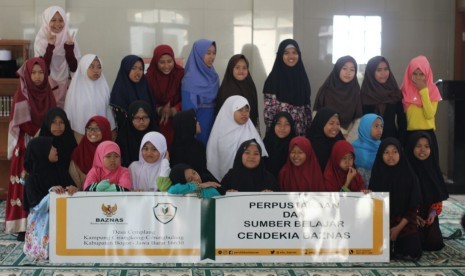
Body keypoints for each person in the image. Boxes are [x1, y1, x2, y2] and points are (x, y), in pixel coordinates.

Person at [5, 57, 56, 239]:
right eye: (33, 72)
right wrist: (41, 135)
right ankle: (22, 225)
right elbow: (23, 123)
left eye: (41, 72)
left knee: (42, 180)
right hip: (27, 144)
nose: (37, 76)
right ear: (27, 74)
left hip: (44, 144)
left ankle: (42, 223)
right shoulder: (22, 93)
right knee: (24, 183)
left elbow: (53, 117)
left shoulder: (49, 93)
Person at [22, 136, 77, 260]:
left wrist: (73, 189)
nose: (55, 150)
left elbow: (71, 193)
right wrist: (51, 193)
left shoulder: (60, 170)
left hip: (63, 219)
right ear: (41, 151)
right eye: (52, 147)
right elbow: (37, 207)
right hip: (43, 224)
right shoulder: (32, 179)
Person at [369, 138, 422, 261]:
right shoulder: (378, 174)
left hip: (404, 221)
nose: (391, 156)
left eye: (395, 152)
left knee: (411, 251)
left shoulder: (410, 176)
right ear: (380, 154)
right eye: (386, 152)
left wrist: (398, 229)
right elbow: (374, 207)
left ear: (400, 153)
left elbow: (413, 208)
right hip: (383, 222)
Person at [207, 95, 267, 181]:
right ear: (229, 111)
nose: (244, 113)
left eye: (247, 110)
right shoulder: (219, 134)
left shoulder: (251, 132)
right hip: (223, 182)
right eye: (240, 110)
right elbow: (213, 159)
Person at [405, 131, 449, 251]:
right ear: (411, 147)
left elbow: (437, 196)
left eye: (426, 146)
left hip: (427, 214)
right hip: (409, 215)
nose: (422, 150)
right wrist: (414, 215)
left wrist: (433, 213)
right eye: (418, 146)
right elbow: (401, 199)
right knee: (414, 245)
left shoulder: (433, 169)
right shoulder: (406, 170)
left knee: (434, 243)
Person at [34, 6, 80, 108]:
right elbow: (42, 68)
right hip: (47, 86)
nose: (57, 24)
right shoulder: (40, 41)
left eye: (61, 20)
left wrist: (69, 48)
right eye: (53, 20)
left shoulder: (69, 38)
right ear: (46, 21)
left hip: (67, 86)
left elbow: (74, 68)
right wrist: (50, 45)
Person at [263, 39, 312, 136]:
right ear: (280, 55)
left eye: (294, 52)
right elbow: (268, 115)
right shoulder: (272, 80)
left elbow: (307, 111)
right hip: (279, 136)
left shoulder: (303, 79)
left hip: (300, 137)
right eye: (286, 53)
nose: (291, 56)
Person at [64, 54, 116, 143]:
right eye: (91, 67)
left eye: (99, 67)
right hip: (80, 136)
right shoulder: (75, 90)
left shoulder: (104, 88)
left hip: (102, 135)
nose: (96, 70)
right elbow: (69, 115)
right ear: (84, 67)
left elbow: (109, 113)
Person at [401, 55, 442, 161]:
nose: (418, 77)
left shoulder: (433, 90)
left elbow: (429, 114)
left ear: (427, 74)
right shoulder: (404, 90)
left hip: (428, 135)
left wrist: (424, 91)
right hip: (411, 135)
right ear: (409, 74)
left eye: (421, 74)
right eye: (414, 74)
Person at [314, 55, 362, 141]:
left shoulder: (356, 91)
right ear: (337, 69)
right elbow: (316, 116)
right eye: (344, 68)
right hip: (325, 137)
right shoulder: (326, 90)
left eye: (352, 69)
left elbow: (358, 118)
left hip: (348, 139)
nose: (348, 72)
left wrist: (349, 139)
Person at [181, 39, 219, 145]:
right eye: (208, 53)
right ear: (198, 54)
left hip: (215, 124)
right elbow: (187, 112)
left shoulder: (214, 76)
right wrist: (193, 127)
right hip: (198, 126)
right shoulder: (190, 80)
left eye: (214, 53)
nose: (212, 57)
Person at [146, 45, 184, 149]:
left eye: (169, 61)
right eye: (162, 62)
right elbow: (146, 100)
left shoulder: (181, 74)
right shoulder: (149, 77)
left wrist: (174, 110)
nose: (166, 66)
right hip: (156, 122)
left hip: (178, 122)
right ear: (156, 62)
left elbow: (186, 98)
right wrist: (159, 110)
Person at [361, 56, 406, 141]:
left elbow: (402, 122)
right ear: (371, 72)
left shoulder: (395, 93)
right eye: (379, 70)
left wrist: (400, 143)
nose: (383, 73)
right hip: (369, 144)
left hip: (391, 143)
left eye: (386, 69)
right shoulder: (364, 95)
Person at [110, 55, 156, 130]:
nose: (137, 72)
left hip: (148, 133)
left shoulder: (145, 87)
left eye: (141, 69)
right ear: (126, 69)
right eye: (133, 68)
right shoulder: (119, 92)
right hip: (127, 136)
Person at [69, 116, 112, 189]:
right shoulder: (78, 154)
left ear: (105, 131)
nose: (92, 132)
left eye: (97, 128)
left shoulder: (113, 153)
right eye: (89, 128)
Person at [216, 54, 259, 127]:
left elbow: (254, 111)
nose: (241, 71)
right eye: (237, 67)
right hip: (230, 130)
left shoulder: (250, 86)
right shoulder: (225, 89)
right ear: (231, 69)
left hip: (249, 129)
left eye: (244, 68)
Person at [116, 100, 158, 167]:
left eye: (145, 117)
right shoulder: (124, 137)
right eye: (137, 118)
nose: (141, 121)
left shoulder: (157, 136)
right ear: (130, 118)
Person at [305, 107, 344, 173]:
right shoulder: (309, 144)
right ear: (321, 123)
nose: (335, 127)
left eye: (338, 124)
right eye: (331, 123)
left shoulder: (340, 141)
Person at [171, 109, 209, 176]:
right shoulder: (198, 147)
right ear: (187, 124)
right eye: (194, 120)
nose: (198, 123)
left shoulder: (174, 147)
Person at [39, 107, 77, 172]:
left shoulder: (70, 142)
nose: (58, 126)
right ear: (48, 123)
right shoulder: (39, 146)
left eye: (61, 122)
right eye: (53, 122)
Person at [352, 114, 383, 186]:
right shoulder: (357, 149)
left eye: (381, 126)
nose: (380, 130)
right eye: (376, 126)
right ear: (366, 127)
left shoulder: (380, 144)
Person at [263, 112, 296, 179]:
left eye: (287, 124)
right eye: (278, 123)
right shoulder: (265, 144)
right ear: (273, 125)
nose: (282, 128)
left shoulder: (295, 146)